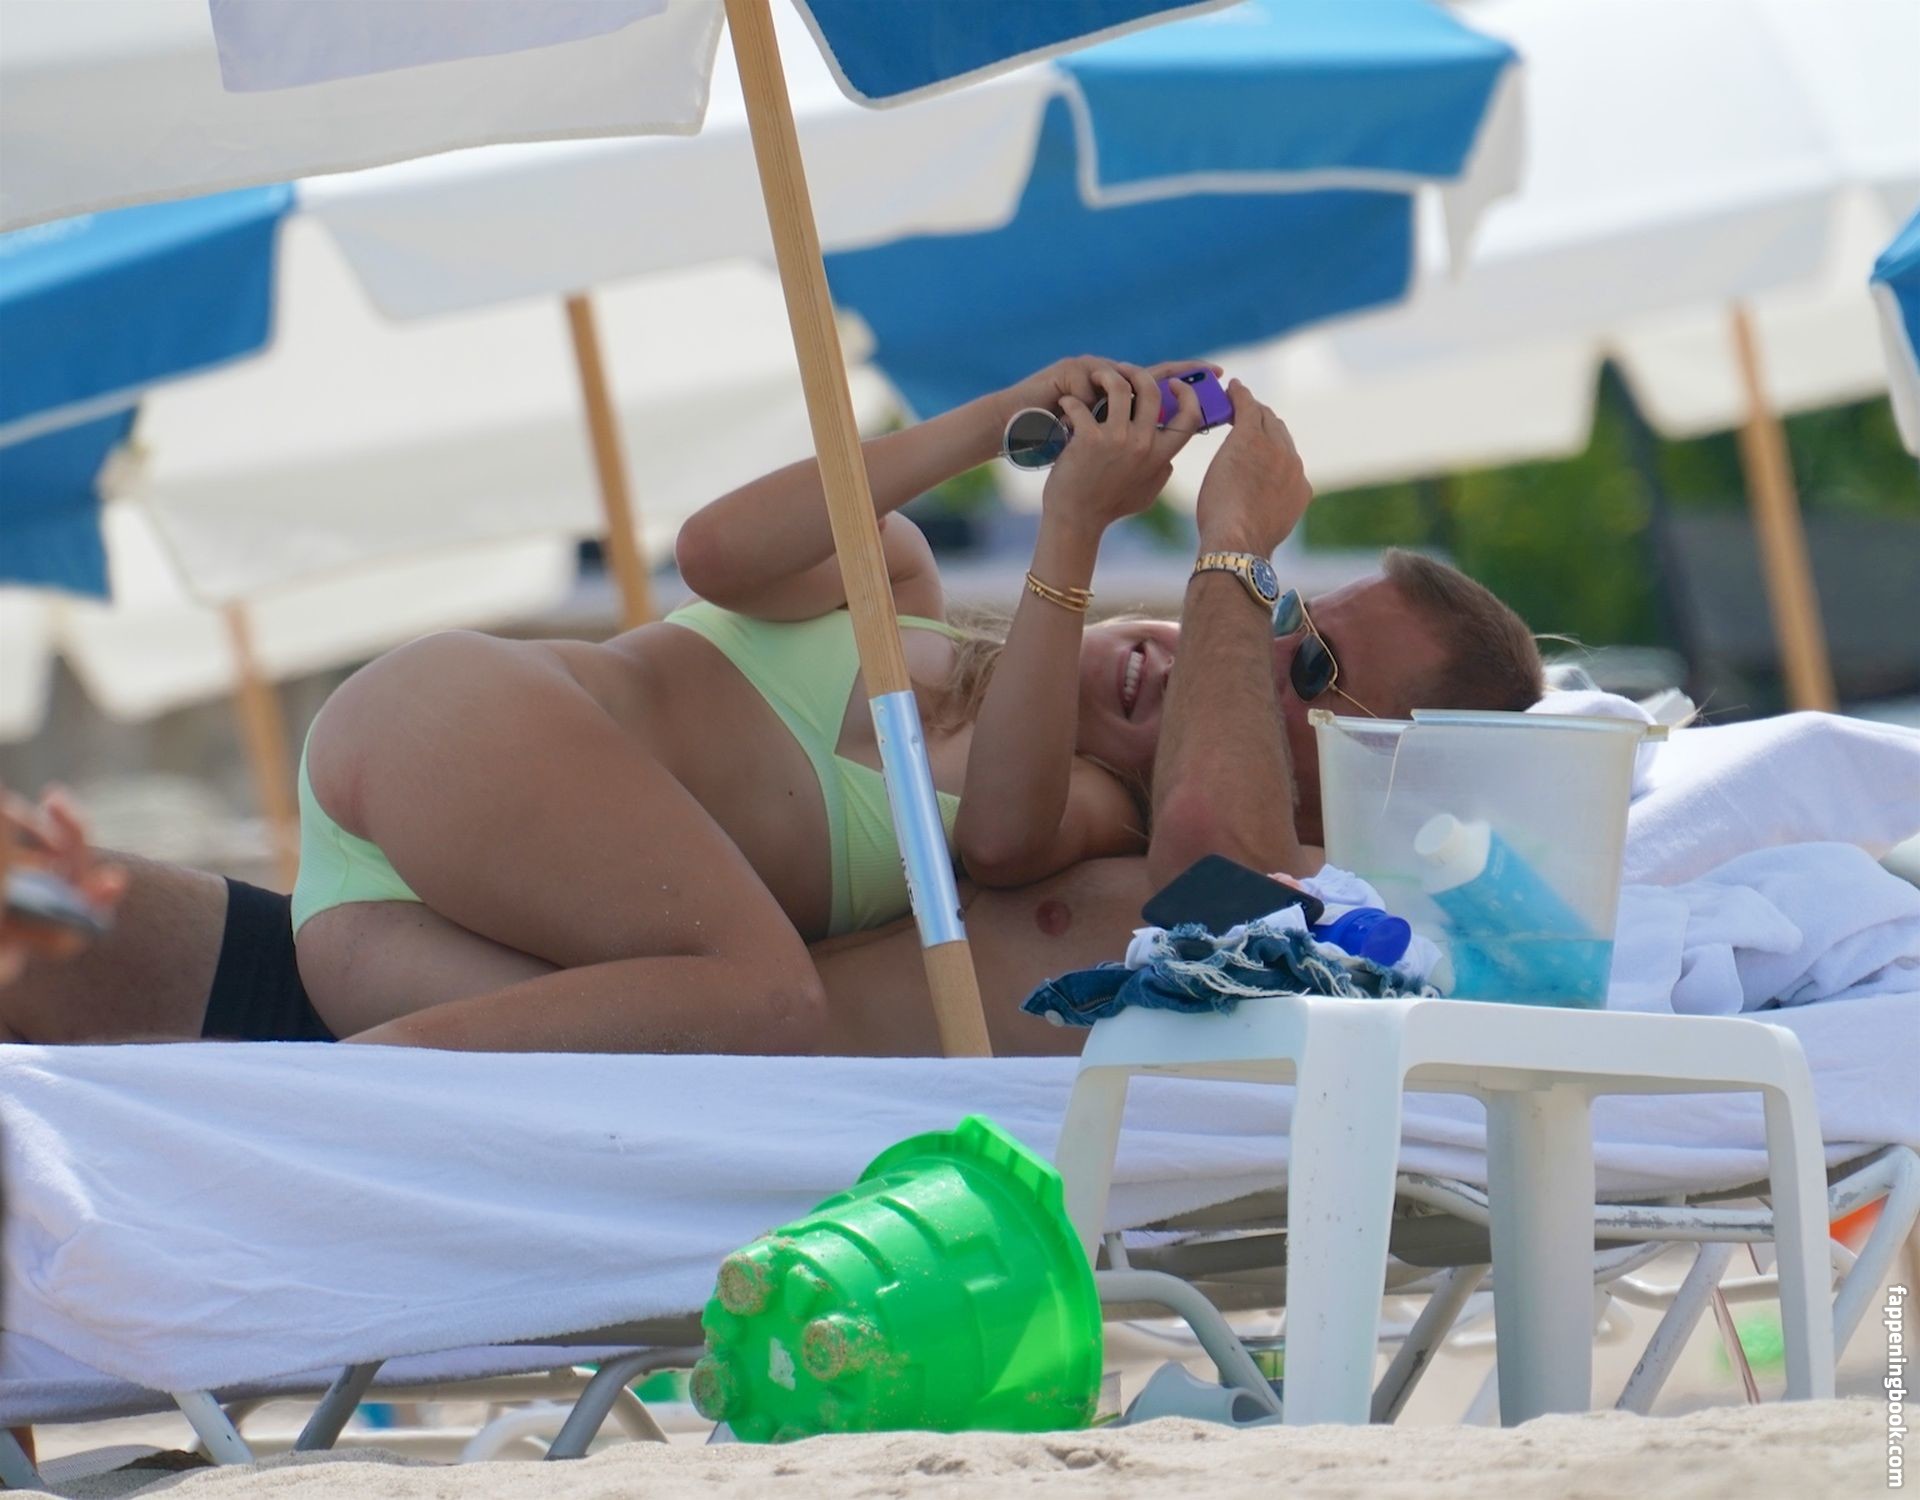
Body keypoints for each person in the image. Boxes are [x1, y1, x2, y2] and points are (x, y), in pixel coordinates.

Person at [279, 358, 1311, 1054]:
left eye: (1197, 698)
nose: (1173, 669)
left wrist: (1073, 528)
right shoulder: (896, 586)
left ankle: (244, 1121)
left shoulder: (1082, 805)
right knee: (770, 1001)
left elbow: (1000, 837)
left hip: (367, 921)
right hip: (450, 729)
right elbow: (713, 551)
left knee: (627, 1075)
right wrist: (1006, 418)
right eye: (1192, 636)